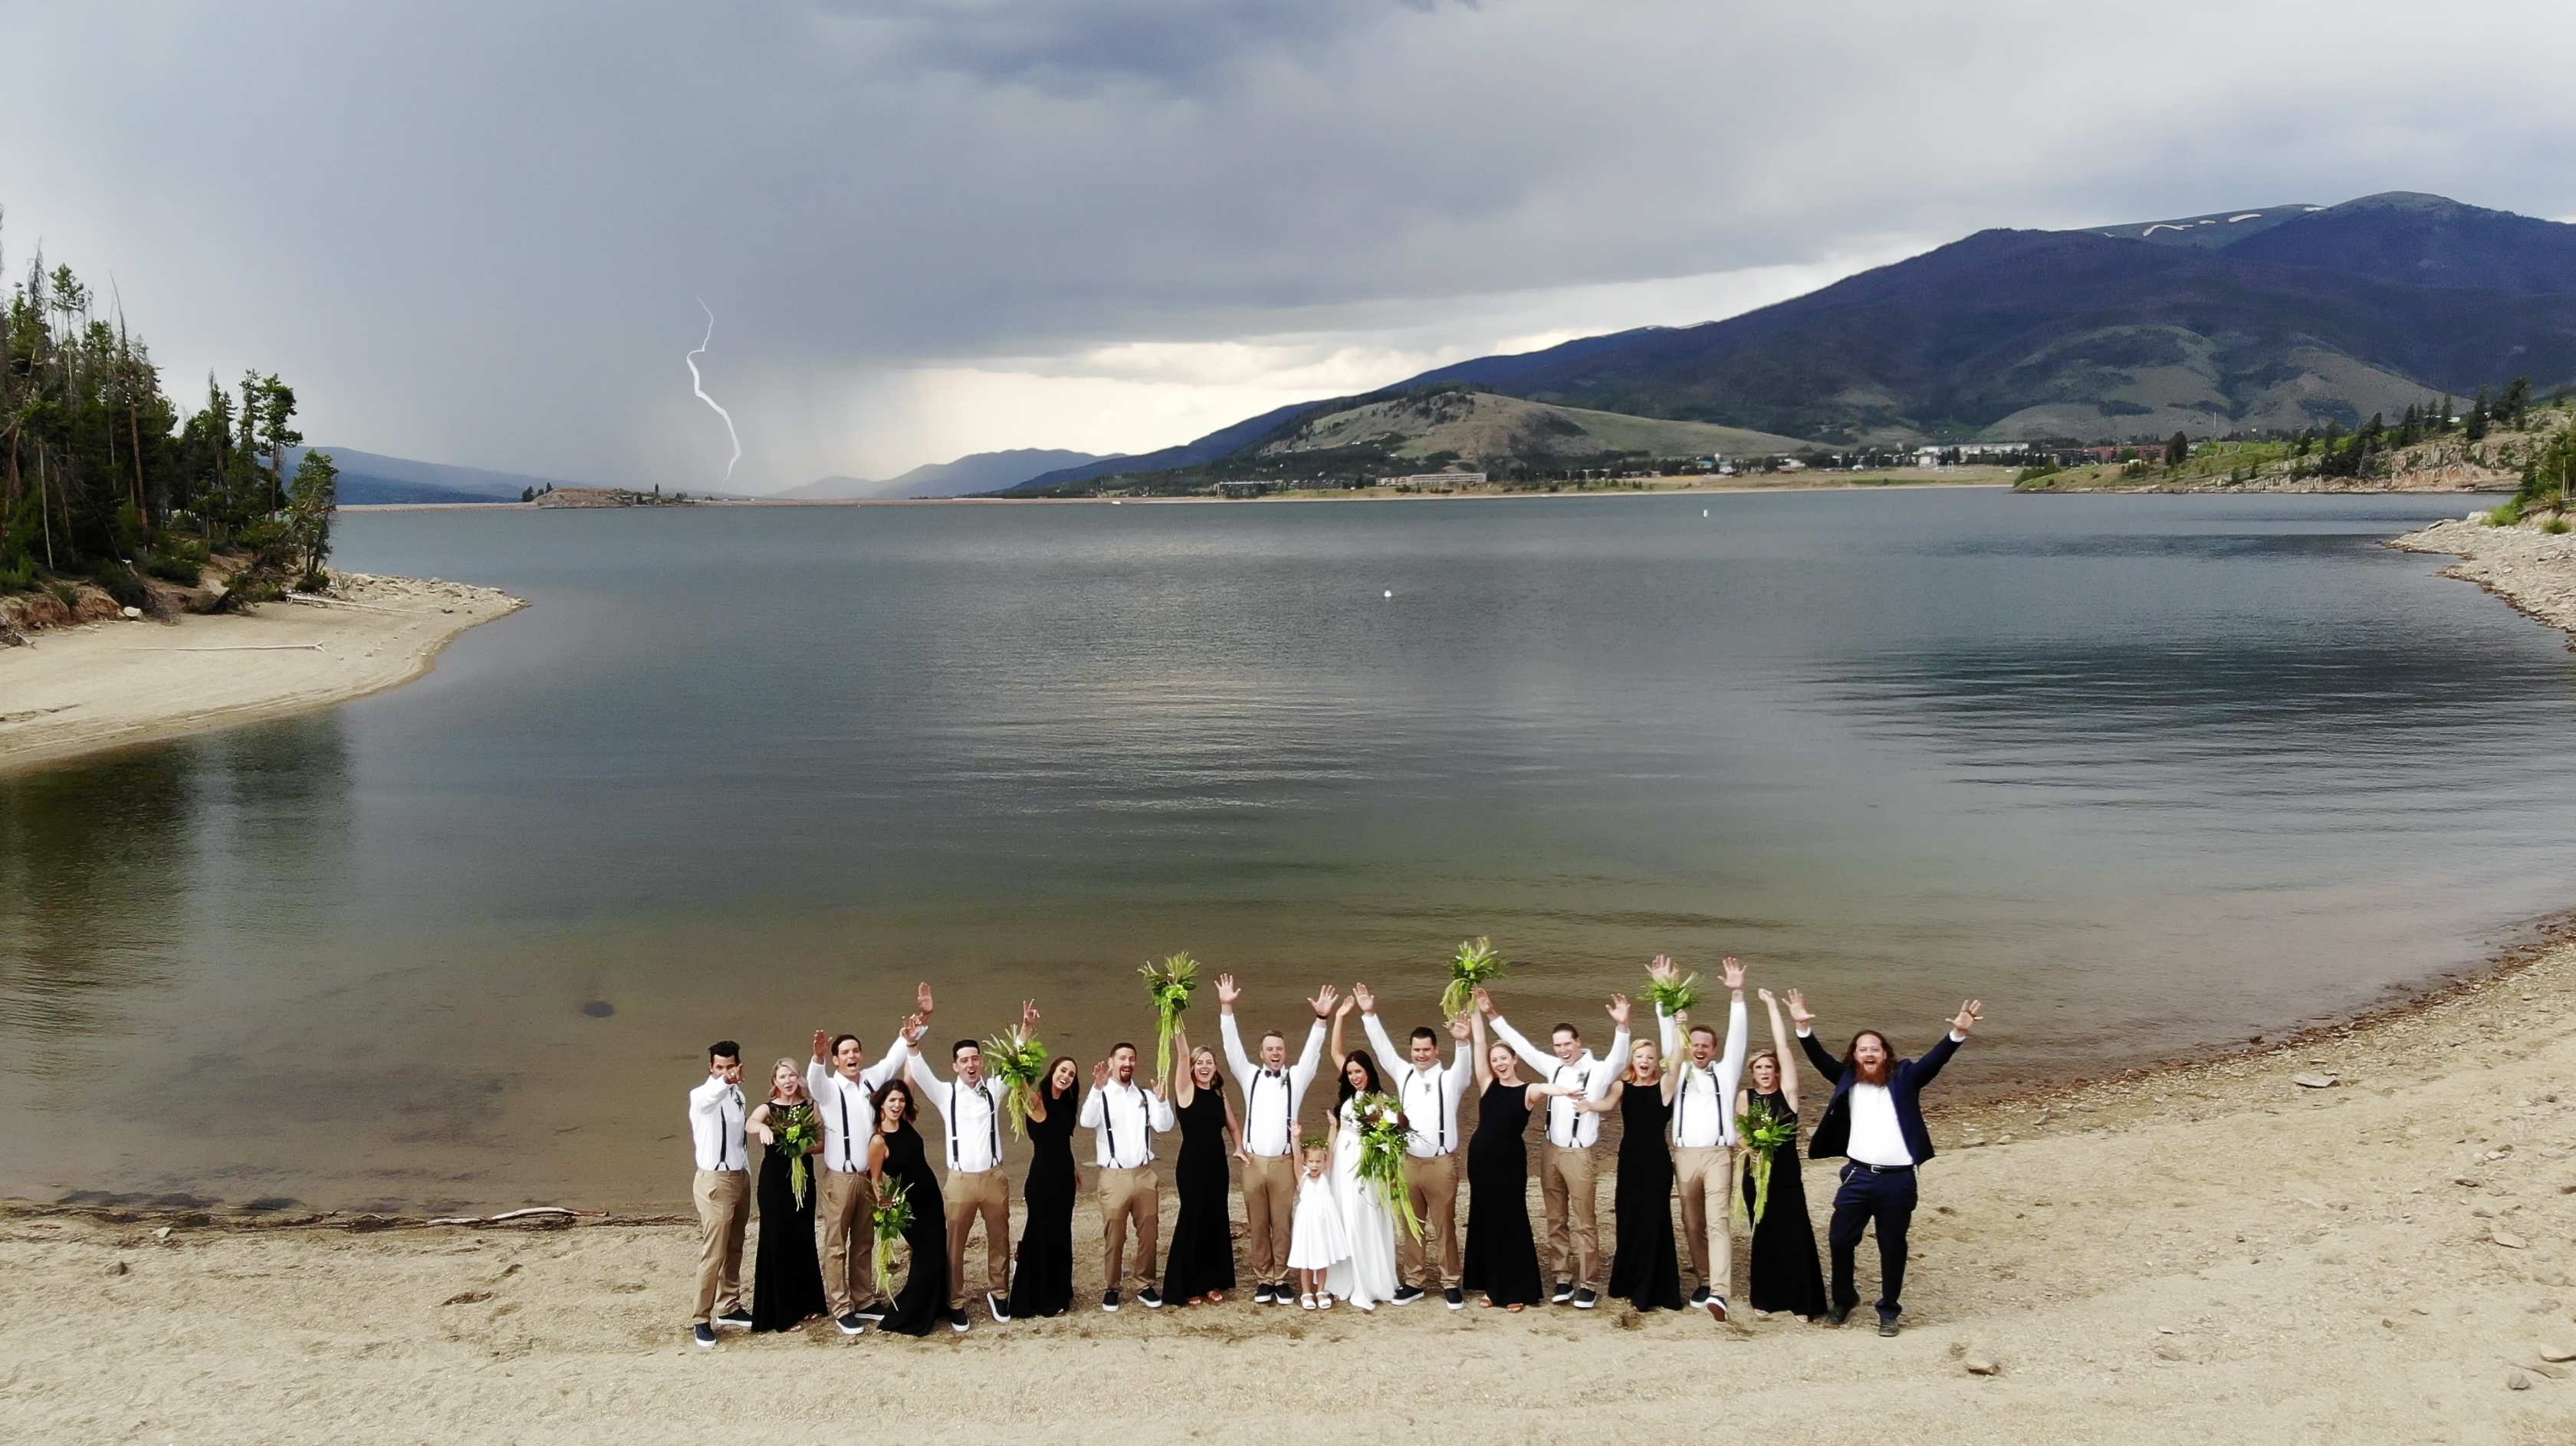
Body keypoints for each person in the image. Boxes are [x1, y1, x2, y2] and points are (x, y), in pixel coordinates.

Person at [1787, 988, 1983, 1336]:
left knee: (1892, 1246)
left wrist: (1958, 1032)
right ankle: (1844, 1299)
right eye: (1862, 1049)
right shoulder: (1848, 1078)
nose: (1868, 1053)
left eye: (1874, 1049)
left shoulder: (1906, 1077)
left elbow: (1935, 1060)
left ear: (1885, 1054)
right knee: (1840, 1239)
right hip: (1858, 1176)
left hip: (1898, 1180)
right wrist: (1803, 1027)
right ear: (1855, 1056)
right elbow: (1819, 1058)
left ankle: (1889, 1310)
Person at [1484, 988, 1628, 1307]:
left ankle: (1588, 1283)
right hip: (1550, 1150)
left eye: (1567, 1044)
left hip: (1579, 1154)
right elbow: (1522, 1047)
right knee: (1555, 1217)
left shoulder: (1599, 1070)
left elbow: (1620, 1058)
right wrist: (1493, 1015)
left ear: (1578, 1042)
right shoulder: (1554, 1067)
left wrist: (1622, 1026)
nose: (1562, 1050)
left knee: (1585, 1220)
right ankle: (1562, 1278)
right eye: (1557, 1045)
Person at [906, 984, 1034, 1331]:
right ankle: (956, 1301)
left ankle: (999, 1292)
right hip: (960, 1180)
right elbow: (920, 1072)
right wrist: (913, 1044)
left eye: (975, 1058)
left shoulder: (993, 1089)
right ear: (955, 1065)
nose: (971, 1064)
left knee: (1000, 1237)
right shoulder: (945, 1094)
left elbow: (1013, 1061)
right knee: (955, 1244)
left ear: (981, 1061)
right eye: (964, 1060)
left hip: (993, 1177)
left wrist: (1025, 1030)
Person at [1461, 989, 1585, 1312]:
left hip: (1509, 1164)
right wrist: (1474, 1006)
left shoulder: (1527, 1091)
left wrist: (1564, 1090)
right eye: (1495, 1060)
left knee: (1511, 1221)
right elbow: (1478, 1043)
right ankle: (1493, 1287)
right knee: (1486, 1219)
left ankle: (1516, 1289)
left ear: (1514, 1060)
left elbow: (1545, 1087)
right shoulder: (1487, 1083)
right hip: (1480, 1161)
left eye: (1504, 1059)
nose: (1499, 1064)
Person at [1217, 974, 1336, 1304]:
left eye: (1279, 1049)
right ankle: (1263, 1277)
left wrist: (1321, 1019)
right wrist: (1226, 1009)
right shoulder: (1250, 1076)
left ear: (1285, 1053)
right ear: (1261, 1053)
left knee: (1282, 1223)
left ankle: (1281, 1277)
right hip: (1253, 1162)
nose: (1275, 1053)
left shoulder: (1296, 1077)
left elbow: (1312, 1054)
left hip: (1285, 1162)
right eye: (1269, 1049)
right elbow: (1232, 1049)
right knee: (1257, 1223)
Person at [1356, 982, 1473, 1309]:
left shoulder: (1449, 1079)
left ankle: (1450, 1282)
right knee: (1411, 1224)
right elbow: (1382, 1051)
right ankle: (1414, 1281)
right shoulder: (1404, 1074)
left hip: (1440, 1163)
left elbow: (1465, 1070)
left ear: (1436, 1050)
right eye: (1416, 1050)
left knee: (1444, 1225)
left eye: (1426, 1050)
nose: (1421, 1055)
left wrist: (1463, 1042)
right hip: (1408, 1162)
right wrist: (1369, 1015)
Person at [805, 1018, 920, 1334]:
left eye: (855, 1050)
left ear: (861, 1054)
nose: (852, 1056)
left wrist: (915, 1029)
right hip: (840, 1179)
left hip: (869, 1177)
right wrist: (817, 1057)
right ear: (836, 1059)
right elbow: (814, 1082)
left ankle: (864, 1299)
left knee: (863, 1241)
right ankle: (842, 1307)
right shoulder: (829, 1089)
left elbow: (894, 1059)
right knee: (836, 1245)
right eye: (845, 1052)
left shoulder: (871, 1080)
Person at [1654, 955, 1749, 1320]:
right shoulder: (1678, 1072)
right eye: (1694, 1044)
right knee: (1692, 1223)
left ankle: (1720, 1293)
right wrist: (1665, 995)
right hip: (1683, 1156)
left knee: (1718, 1221)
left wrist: (1737, 995)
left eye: (1706, 1045)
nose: (1699, 1049)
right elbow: (1669, 1040)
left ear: (1714, 1049)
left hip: (1717, 1155)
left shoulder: (1725, 1073)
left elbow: (1738, 1038)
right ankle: (1706, 1280)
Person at [1577, 995, 1684, 1313]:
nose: (1645, 1060)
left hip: (1656, 1162)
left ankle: (1652, 1287)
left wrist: (1680, 1029)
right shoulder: (1622, 1087)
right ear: (1633, 1061)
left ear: (1656, 1061)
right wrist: (1588, 1105)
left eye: (1650, 1056)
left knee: (1654, 1220)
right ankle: (1628, 1280)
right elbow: (1606, 1104)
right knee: (1629, 1218)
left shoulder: (1665, 1086)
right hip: (1629, 1161)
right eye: (1639, 1056)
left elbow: (1678, 1063)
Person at [1737, 987, 1826, 1320]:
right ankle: (1766, 1299)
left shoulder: (1788, 1095)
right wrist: (1753, 1150)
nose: (1764, 1071)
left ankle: (1802, 1302)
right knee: (1764, 1235)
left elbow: (1783, 1046)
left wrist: (1772, 1006)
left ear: (1776, 1072)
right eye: (1759, 1067)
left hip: (1787, 1175)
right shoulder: (1745, 1097)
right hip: (1756, 1175)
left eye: (1769, 1067)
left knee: (1795, 1234)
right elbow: (1737, 1134)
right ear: (1753, 1072)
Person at [1080, 1041, 1176, 1311]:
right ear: (1111, 1062)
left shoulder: (1143, 1095)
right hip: (1113, 1176)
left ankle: (1145, 1284)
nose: (1127, 1063)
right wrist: (1096, 1088)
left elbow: (1164, 1126)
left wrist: (1162, 1101)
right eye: (1122, 1058)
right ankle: (1112, 1286)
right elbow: (1087, 1121)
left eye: (1131, 1058)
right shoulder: (1101, 1094)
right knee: (1115, 1235)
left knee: (1149, 1232)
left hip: (1144, 1174)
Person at [1323, 996, 1399, 1311]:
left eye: (1359, 1071)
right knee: (1342, 1215)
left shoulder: (1380, 1100)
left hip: (1363, 1163)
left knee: (1360, 1216)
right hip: (1341, 1160)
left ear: (1369, 1071)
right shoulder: (1350, 1095)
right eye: (1351, 1072)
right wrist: (1340, 1017)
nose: (1355, 1076)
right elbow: (1335, 1052)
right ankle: (1344, 1278)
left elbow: (1391, 1135)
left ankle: (1367, 1280)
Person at [1161, 1024, 1243, 1306]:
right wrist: (1175, 1018)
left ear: (1215, 1067)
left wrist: (1239, 1148)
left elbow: (1233, 1125)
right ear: (1193, 1067)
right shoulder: (1186, 1091)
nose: (1205, 1067)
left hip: (1218, 1166)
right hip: (1192, 1167)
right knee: (1193, 1220)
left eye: (1209, 1062)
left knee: (1215, 1220)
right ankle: (1187, 1286)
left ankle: (1210, 1282)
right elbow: (1182, 1054)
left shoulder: (1219, 1094)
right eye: (1200, 1063)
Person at [748, 1059, 829, 1332]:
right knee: (777, 1240)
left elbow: (821, 1144)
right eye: (782, 1077)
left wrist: (802, 1147)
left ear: (799, 1078)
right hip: (775, 1183)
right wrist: (764, 1128)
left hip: (803, 1181)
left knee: (802, 1237)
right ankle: (782, 1313)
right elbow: (750, 1124)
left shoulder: (810, 1106)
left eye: (792, 1075)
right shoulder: (768, 1109)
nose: (788, 1081)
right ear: (775, 1081)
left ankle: (808, 1304)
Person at [866, 1080, 950, 1338]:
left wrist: (911, 1055)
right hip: (909, 1206)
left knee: (938, 1252)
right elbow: (875, 1179)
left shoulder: (905, 1123)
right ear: (882, 1103)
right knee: (927, 1257)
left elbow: (909, 1077)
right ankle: (911, 1314)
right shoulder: (879, 1140)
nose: (897, 1105)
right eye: (892, 1100)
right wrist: (885, 1205)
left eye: (901, 1100)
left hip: (931, 1198)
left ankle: (936, 1305)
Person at [686, 1040, 755, 1347]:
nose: (726, 1072)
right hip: (715, 1179)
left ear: (739, 1066)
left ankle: (729, 1305)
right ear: (711, 1068)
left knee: (735, 1245)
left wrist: (746, 1172)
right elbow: (710, 1097)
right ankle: (701, 1318)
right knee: (713, 1251)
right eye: (719, 1068)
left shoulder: (739, 1095)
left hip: (739, 1176)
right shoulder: (702, 1095)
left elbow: (739, 1139)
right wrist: (724, 1082)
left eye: (730, 1067)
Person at [1006, 1053, 1082, 1320]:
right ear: (1052, 1072)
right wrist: (1022, 1041)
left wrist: (1073, 1168)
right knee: (1042, 1235)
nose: (1066, 1076)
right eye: (1063, 1070)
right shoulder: (1037, 1101)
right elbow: (1018, 1080)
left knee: (1061, 1235)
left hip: (1065, 1180)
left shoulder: (1066, 1103)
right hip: (1043, 1181)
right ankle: (1040, 1299)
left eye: (1071, 1074)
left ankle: (1060, 1291)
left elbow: (1062, 1142)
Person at [1286, 1139, 1349, 1310]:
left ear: (1324, 1162)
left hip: (1324, 1223)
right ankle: (1306, 1292)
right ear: (1305, 1162)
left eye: (1319, 1161)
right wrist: (1295, 1137)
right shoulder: (1302, 1177)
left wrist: (1333, 1127)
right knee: (1307, 1258)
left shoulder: (1326, 1175)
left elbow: (1331, 1146)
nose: (1315, 1165)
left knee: (1322, 1256)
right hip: (1308, 1224)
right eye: (1311, 1161)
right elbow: (1296, 1156)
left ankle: (1321, 1290)